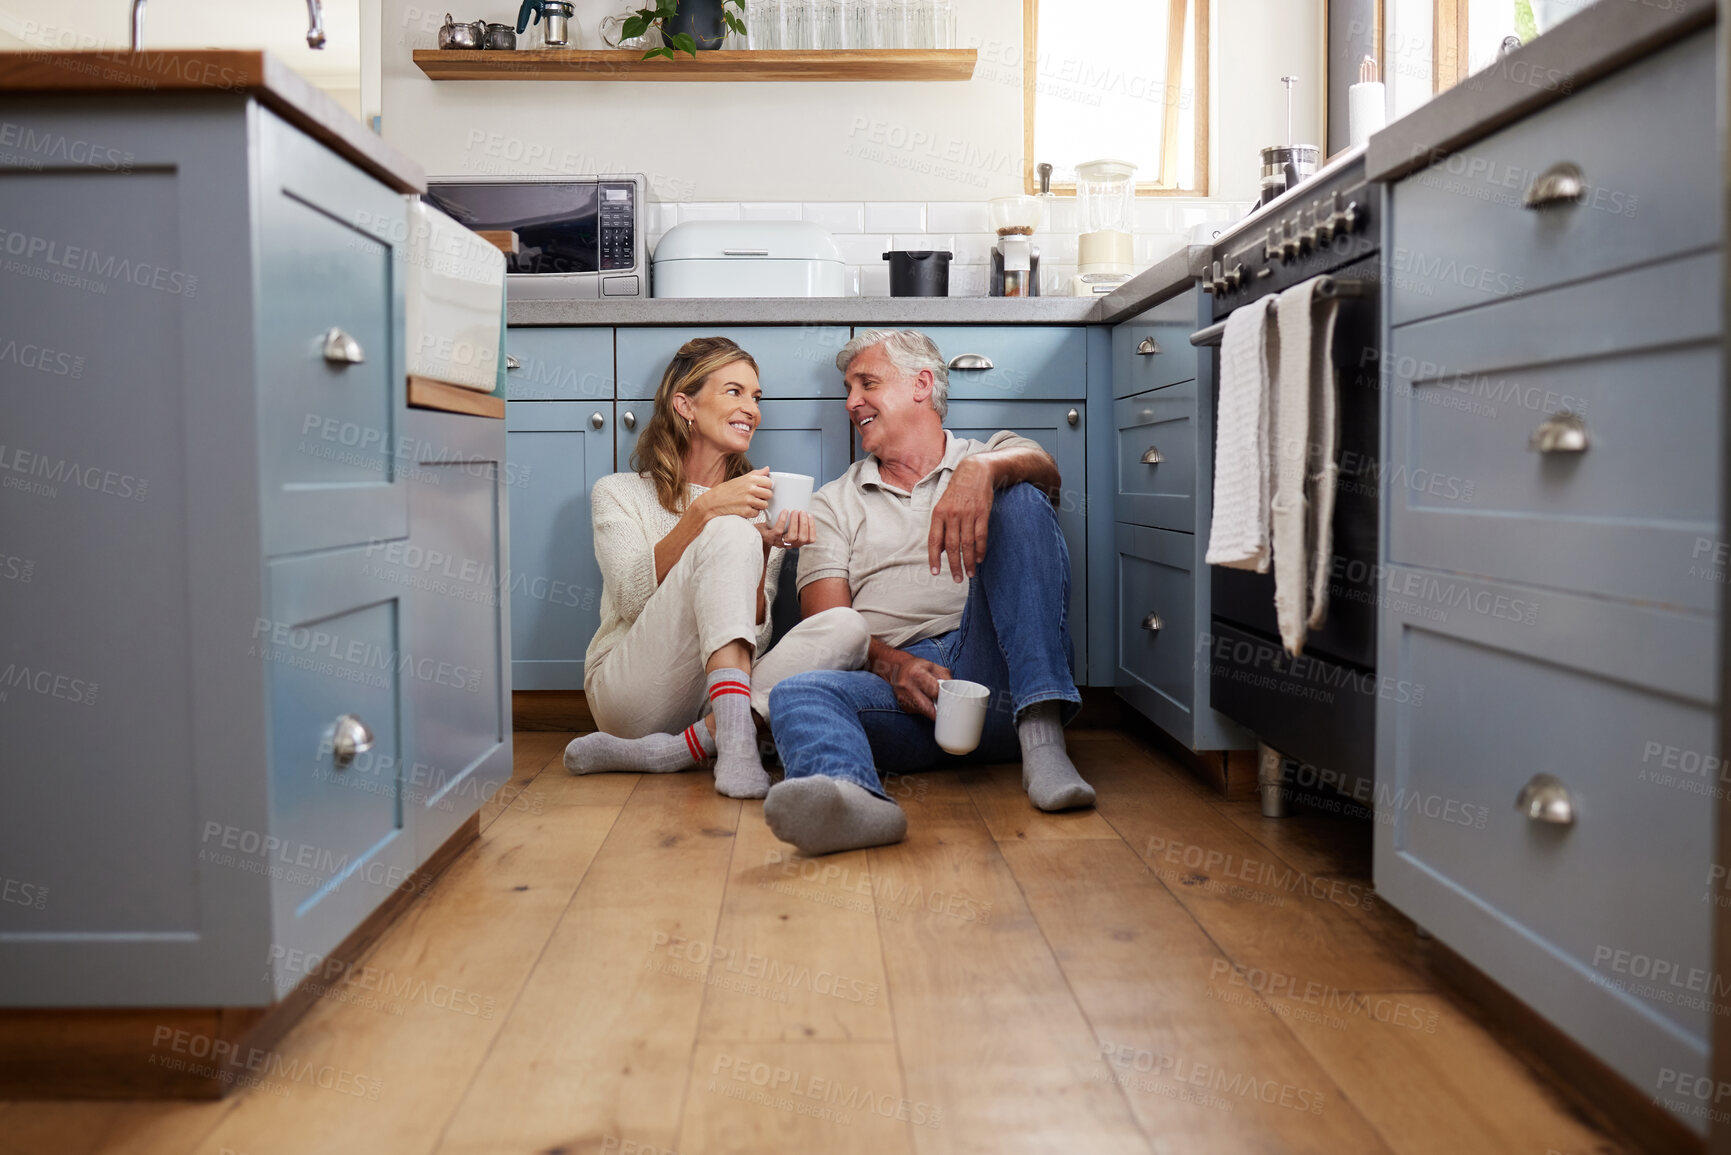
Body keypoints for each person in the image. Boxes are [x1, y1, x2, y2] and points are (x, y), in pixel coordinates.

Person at [762, 329, 1095, 855]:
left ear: (922, 385)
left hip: (999, 677)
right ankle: (854, 800)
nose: (852, 402)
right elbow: (824, 624)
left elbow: (1047, 473)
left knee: (1024, 499)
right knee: (796, 692)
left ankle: (1042, 738)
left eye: (866, 383)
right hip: (905, 693)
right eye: (848, 389)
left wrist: (981, 472)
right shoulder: (832, 502)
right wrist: (895, 666)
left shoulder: (988, 455)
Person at [565, 336, 869, 799]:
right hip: (630, 691)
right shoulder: (619, 492)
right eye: (734, 391)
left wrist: (765, 548)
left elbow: (754, 638)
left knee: (847, 629)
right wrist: (706, 514)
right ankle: (738, 751)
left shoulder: (758, 508)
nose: (752, 408)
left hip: (714, 697)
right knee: (731, 531)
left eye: (756, 396)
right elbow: (629, 598)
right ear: (684, 404)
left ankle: (676, 751)